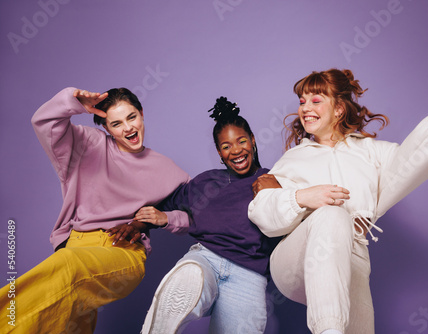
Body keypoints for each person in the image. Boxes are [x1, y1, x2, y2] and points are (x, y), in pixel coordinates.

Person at [248, 55, 428, 334]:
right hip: (295, 260)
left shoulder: (372, 153)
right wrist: (302, 197)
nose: (305, 108)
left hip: (351, 255)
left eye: (316, 100)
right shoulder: (293, 158)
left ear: (339, 109)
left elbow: (411, 161)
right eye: (302, 101)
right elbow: (265, 217)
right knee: (331, 215)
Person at [0, 87, 189, 333]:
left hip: (122, 251)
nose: (128, 128)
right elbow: (43, 121)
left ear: (141, 114)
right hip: (77, 242)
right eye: (116, 123)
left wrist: (164, 218)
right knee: (70, 324)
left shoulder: (166, 168)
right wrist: (73, 102)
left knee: (69, 266)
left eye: (132, 117)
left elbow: (196, 214)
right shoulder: (88, 145)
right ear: (106, 128)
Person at [139, 97, 280, 334]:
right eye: (226, 146)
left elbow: (294, 215)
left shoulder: (272, 180)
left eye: (241, 141)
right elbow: (160, 200)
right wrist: (154, 219)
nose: (236, 150)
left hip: (250, 273)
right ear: (219, 152)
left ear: (253, 140)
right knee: (190, 278)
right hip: (207, 259)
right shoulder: (206, 181)